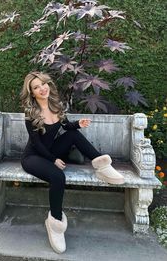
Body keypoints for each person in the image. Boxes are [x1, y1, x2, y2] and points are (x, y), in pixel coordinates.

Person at [20, 71, 124, 254]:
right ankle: (55, 223)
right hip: (33, 157)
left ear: (48, 84)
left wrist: (78, 124)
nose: (42, 88)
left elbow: (65, 126)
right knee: (57, 177)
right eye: (36, 87)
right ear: (32, 92)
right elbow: (36, 144)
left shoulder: (55, 105)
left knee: (73, 134)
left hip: (50, 152)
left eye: (43, 84)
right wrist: (53, 160)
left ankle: (102, 166)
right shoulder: (31, 113)